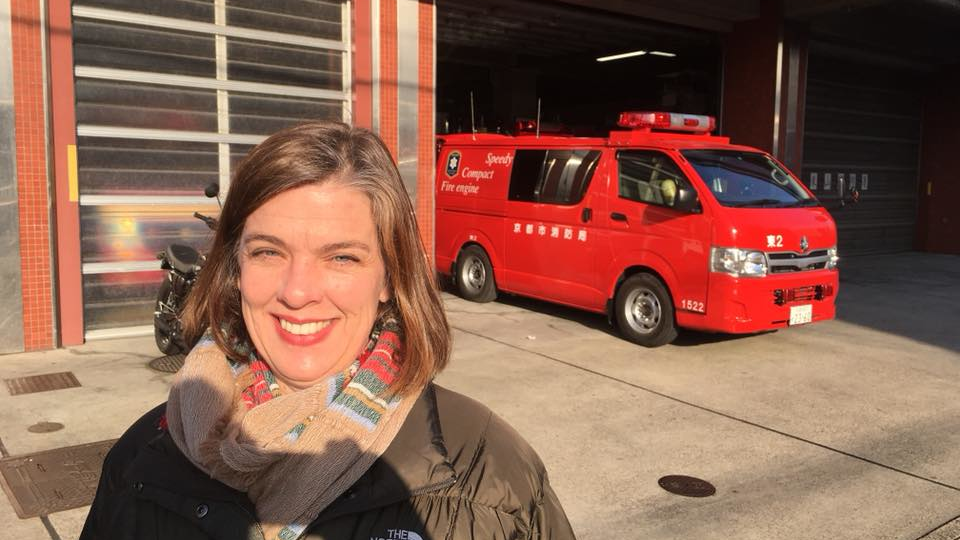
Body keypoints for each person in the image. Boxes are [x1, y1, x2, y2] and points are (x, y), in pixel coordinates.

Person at [81, 122, 575, 540]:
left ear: (389, 277)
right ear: (236, 267)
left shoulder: (489, 476)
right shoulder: (142, 456)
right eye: (268, 252)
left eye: (341, 256)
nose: (298, 292)